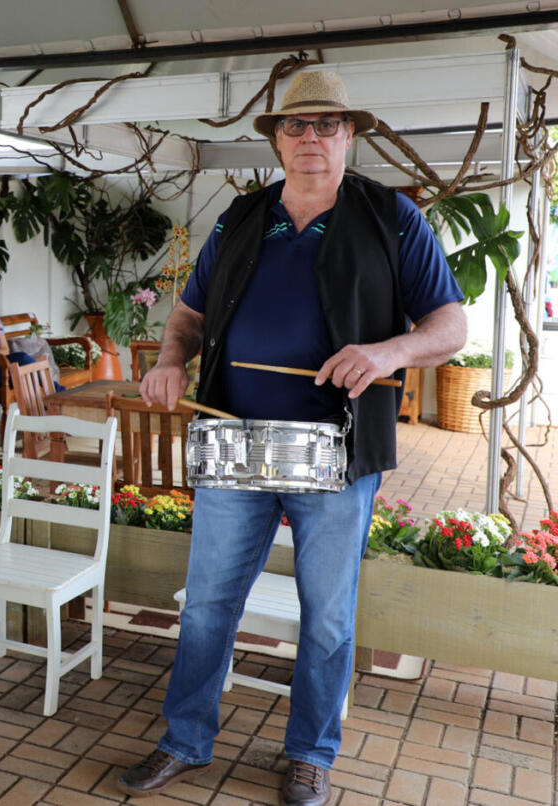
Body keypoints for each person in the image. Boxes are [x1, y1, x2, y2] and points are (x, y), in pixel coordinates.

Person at [122, 71, 467, 806]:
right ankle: (184, 740)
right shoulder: (241, 217)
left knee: (328, 613)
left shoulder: (391, 217)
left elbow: (450, 325)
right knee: (207, 604)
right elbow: (187, 315)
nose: (311, 137)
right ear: (277, 139)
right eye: (295, 125)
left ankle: (311, 754)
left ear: (349, 134)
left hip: (338, 451)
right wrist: (171, 360)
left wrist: (387, 353)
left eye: (326, 124)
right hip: (234, 442)